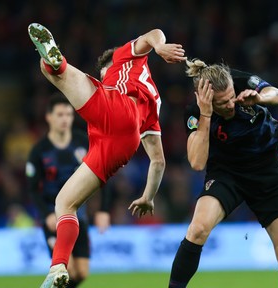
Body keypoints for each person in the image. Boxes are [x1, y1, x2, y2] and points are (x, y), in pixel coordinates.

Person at [28, 23, 186, 288]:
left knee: (54, 71)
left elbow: (153, 34)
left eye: (104, 73)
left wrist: (158, 47)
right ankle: (57, 268)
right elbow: (158, 161)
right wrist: (148, 196)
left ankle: (57, 61)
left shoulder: (124, 56)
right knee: (65, 203)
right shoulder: (154, 103)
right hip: (122, 143)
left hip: (116, 109)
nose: (104, 77)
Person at [168, 59, 278, 288]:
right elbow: (196, 163)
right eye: (222, 103)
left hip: (267, 170)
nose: (231, 104)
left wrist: (261, 98)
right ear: (208, 100)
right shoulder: (195, 112)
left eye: (232, 96)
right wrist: (205, 115)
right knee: (198, 230)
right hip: (227, 172)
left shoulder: (240, 80)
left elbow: (277, 94)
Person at [26, 94, 91, 288]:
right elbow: (33, 188)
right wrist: (46, 215)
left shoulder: (83, 142)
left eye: (69, 114)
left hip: (80, 215)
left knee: (81, 272)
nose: (65, 119)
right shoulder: (39, 150)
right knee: (66, 270)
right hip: (53, 217)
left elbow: (100, 171)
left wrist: (103, 209)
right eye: (60, 114)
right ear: (49, 117)